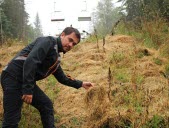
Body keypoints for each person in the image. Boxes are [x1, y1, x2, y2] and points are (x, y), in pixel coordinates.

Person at [0, 27, 93, 128]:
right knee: (11, 121)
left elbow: (62, 78)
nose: (71, 45)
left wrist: (81, 84)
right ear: (62, 35)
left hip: (23, 80)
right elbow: (31, 61)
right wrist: (28, 90)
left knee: (46, 105)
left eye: (74, 44)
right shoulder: (48, 42)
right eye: (70, 40)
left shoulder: (55, 58)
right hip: (13, 77)